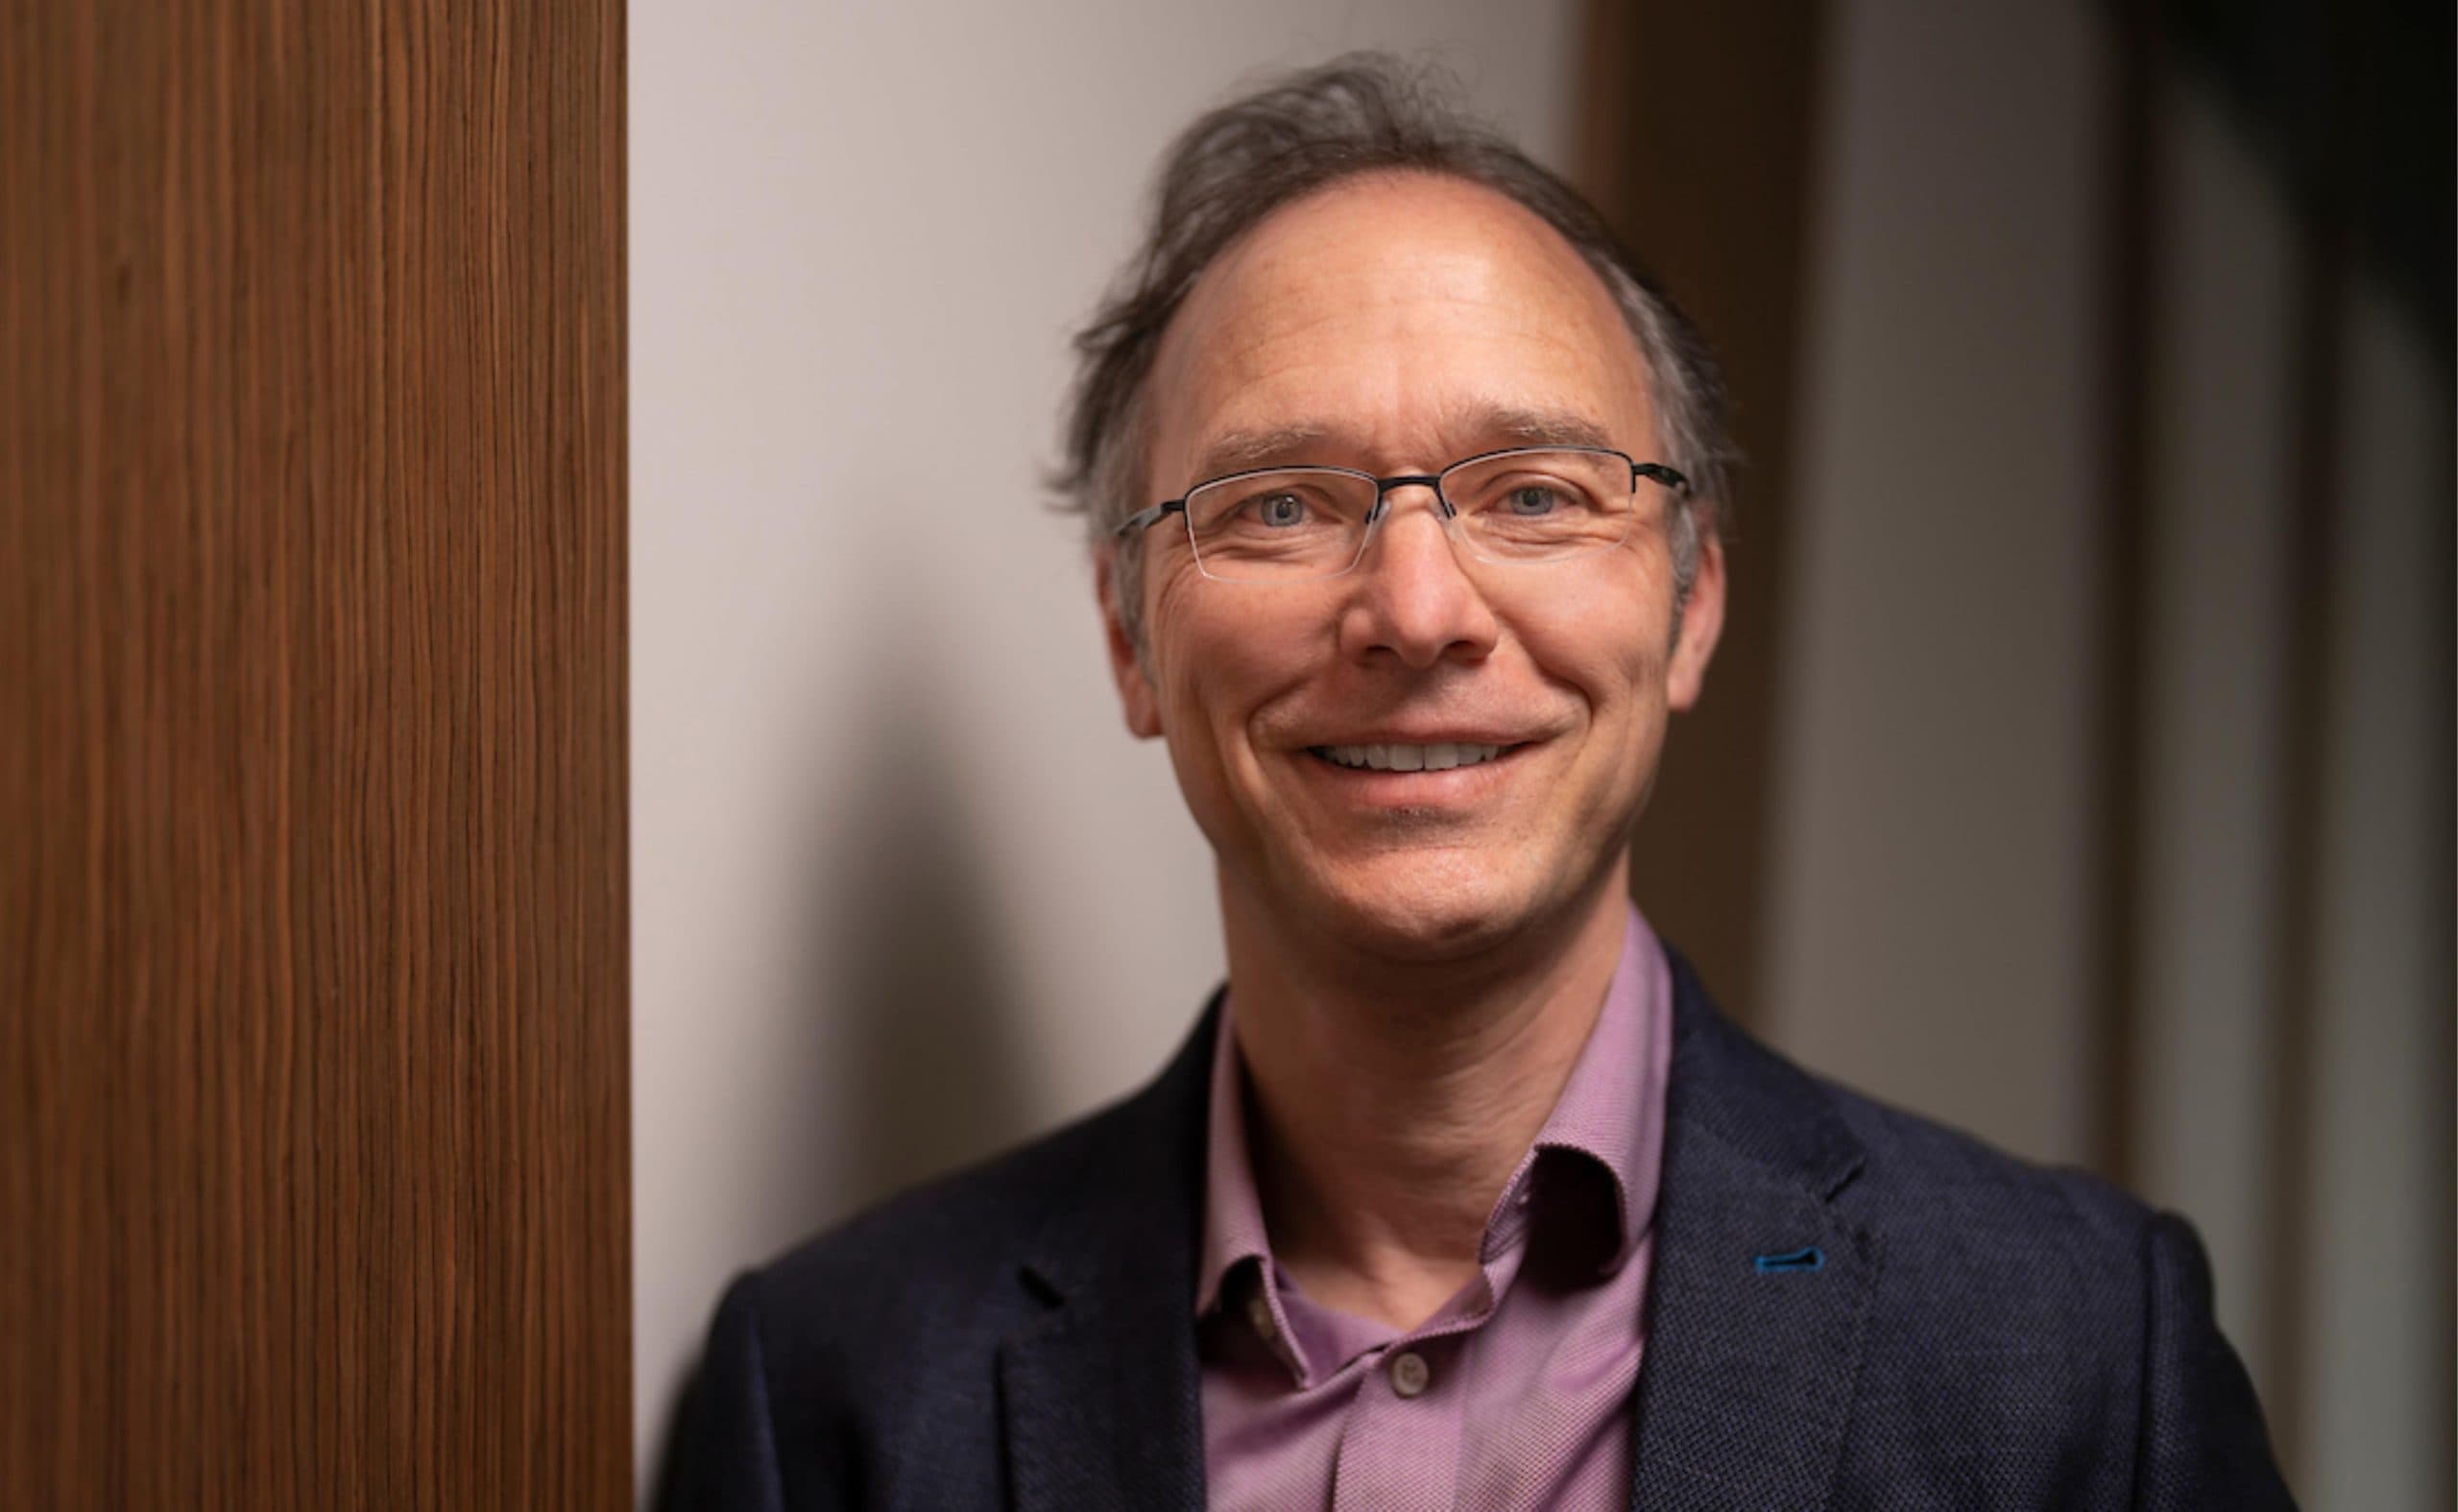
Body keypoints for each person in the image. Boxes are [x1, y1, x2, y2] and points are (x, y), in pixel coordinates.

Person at [663, 57, 2292, 1511]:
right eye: (1280, 507)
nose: (1421, 611)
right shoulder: (828, 1398)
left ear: (1691, 604)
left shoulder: (2078, 1356)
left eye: (1533, 491)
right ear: (1129, 640)